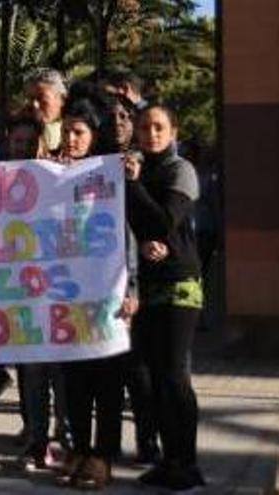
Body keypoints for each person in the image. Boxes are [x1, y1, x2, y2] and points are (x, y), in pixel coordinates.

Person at [53, 96, 140, 490]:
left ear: (93, 135)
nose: (71, 139)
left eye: (79, 132)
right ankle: (78, 451)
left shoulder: (111, 175)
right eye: (66, 131)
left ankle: (103, 457)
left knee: (106, 380)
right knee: (74, 383)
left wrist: (132, 286)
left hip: (106, 291)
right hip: (64, 292)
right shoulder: (47, 173)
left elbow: (127, 235)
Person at [125, 104, 205, 491]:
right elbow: (136, 226)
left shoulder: (180, 170)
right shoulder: (136, 170)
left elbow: (162, 220)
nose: (151, 134)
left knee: (175, 377)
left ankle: (188, 465)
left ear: (173, 130)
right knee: (153, 379)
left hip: (179, 286)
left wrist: (134, 186)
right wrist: (142, 244)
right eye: (144, 127)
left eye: (159, 127)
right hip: (147, 287)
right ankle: (168, 460)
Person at [3, 115, 73, 471]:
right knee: (31, 372)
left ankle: (66, 437)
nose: (23, 148)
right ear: (8, 143)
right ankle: (36, 438)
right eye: (17, 141)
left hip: (56, 288)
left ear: (42, 144)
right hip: (16, 293)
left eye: (30, 142)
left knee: (59, 371)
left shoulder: (55, 176)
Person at [110, 95, 162, 464]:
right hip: (95, 283)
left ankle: (148, 441)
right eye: (110, 117)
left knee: (139, 371)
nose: (118, 122)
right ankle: (107, 446)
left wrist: (133, 288)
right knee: (107, 374)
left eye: (125, 116)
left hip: (136, 281)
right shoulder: (91, 162)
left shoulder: (145, 166)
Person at [25, 68, 68, 152]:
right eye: (31, 98)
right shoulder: (18, 133)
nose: (35, 105)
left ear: (62, 99)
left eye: (41, 98)